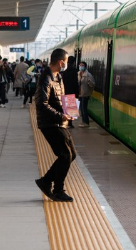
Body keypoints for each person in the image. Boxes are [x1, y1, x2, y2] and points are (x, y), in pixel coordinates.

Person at [34, 48, 76, 202]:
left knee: (71, 154)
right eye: (65, 61)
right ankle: (57, 189)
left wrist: (71, 110)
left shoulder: (58, 76)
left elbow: (62, 97)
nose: (66, 64)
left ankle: (45, 181)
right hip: (50, 123)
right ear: (60, 62)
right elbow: (41, 103)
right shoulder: (45, 77)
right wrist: (61, 115)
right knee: (65, 155)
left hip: (60, 122)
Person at [62, 56, 79, 129]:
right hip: (72, 92)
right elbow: (76, 83)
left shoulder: (65, 71)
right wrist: (77, 93)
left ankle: (68, 123)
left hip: (66, 91)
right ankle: (70, 124)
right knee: (71, 109)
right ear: (74, 63)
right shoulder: (75, 71)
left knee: (67, 109)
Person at [77, 62, 95, 127]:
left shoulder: (88, 75)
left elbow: (93, 84)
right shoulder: (78, 74)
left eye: (82, 65)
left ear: (85, 67)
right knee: (81, 109)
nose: (81, 66)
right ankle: (83, 121)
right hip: (80, 94)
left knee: (84, 109)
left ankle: (86, 122)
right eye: (80, 65)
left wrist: (89, 82)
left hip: (85, 94)